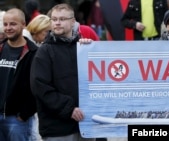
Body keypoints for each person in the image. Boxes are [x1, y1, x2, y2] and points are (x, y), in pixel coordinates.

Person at [30, 3, 99, 141]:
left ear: (73, 21)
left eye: (62, 19)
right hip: (58, 129)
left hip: (86, 124)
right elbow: (40, 88)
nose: (57, 23)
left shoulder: (82, 47)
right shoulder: (44, 51)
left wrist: (89, 51)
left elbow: (97, 77)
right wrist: (69, 109)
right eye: (54, 19)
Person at [0, 8, 38, 141]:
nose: (8, 28)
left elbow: (39, 86)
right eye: (5, 24)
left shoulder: (34, 53)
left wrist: (24, 114)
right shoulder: (0, 48)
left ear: (23, 24)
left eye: (13, 24)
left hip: (18, 120)